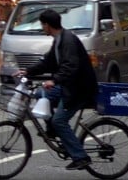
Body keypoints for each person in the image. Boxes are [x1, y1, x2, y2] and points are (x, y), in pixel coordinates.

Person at [18, 9, 99, 171]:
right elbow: (47, 62)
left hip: (78, 89)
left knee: (59, 120)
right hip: (68, 86)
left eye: (42, 24)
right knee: (40, 94)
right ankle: (53, 131)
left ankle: (80, 157)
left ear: (47, 25)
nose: (42, 27)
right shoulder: (59, 39)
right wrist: (28, 71)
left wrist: (54, 80)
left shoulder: (68, 40)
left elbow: (71, 67)